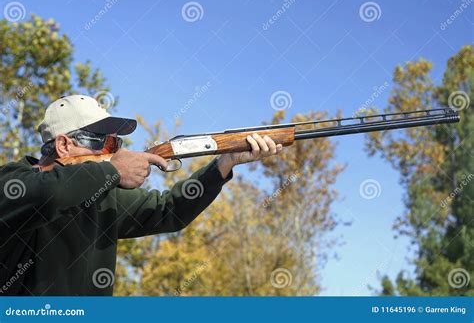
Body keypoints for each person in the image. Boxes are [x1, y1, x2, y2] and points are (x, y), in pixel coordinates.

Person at [0, 95, 283, 295]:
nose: (113, 150)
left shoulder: (100, 196)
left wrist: (224, 163)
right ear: (63, 145)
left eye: (116, 142)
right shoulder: (13, 181)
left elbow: (168, 211)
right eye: (106, 142)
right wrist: (113, 171)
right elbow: (50, 194)